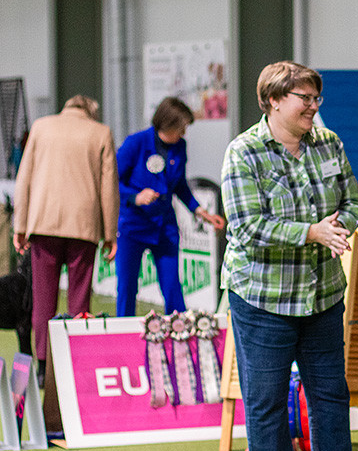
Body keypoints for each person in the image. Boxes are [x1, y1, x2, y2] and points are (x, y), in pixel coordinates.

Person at [221, 60, 358, 451]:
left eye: (315, 98)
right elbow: (245, 228)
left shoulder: (330, 144)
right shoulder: (243, 153)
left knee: (330, 395)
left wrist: (337, 227)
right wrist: (311, 232)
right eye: (304, 98)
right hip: (261, 297)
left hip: (322, 294)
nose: (313, 107)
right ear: (273, 101)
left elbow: (354, 203)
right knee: (265, 399)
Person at [13, 95, 119, 381]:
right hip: (83, 226)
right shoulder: (100, 132)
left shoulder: (41, 126)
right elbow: (109, 186)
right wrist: (110, 233)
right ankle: (75, 362)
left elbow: (24, 178)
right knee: (79, 299)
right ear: (90, 111)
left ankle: (42, 365)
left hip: (43, 223)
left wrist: (20, 225)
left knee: (43, 299)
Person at [115, 96, 225, 316]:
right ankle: (123, 333)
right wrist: (135, 197)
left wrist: (200, 212)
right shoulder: (135, 143)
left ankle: (180, 331)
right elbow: (111, 181)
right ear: (168, 123)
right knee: (127, 286)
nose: (184, 133)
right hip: (132, 226)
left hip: (164, 227)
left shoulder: (180, 147)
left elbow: (180, 186)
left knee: (172, 284)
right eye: (182, 127)